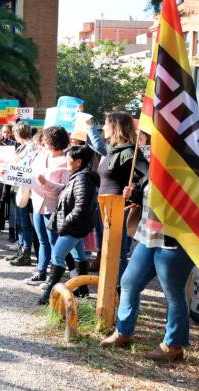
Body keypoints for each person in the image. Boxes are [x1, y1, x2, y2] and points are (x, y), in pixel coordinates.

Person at [101, 181, 196, 362]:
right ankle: (123, 332)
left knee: (173, 293)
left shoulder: (190, 165)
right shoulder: (158, 162)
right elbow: (151, 198)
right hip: (149, 236)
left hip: (175, 239)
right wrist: (135, 194)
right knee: (129, 282)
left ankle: (173, 346)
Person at [86, 112, 148, 292]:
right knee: (107, 252)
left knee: (117, 254)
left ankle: (118, 293)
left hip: (119, 208)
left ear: (116, 127)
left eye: (106, 124)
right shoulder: (113, 150)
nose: (103, 127)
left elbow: (150, 176)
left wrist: (134, 193)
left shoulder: (130, 152)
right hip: (105, 207)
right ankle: (109, 291)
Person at [38, 145, 100, 304]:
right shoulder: (78, 176)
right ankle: (83, 290)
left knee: (57, 255)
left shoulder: (82, 179)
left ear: (78, 162)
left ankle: (49, 293)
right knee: (79, 257)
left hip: (74, 227)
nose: (66, 161)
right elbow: (66, 192)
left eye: (69, 159)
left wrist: (65, 225)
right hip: (76, 226)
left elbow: (81, 207)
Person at [25, 128, 70, 286]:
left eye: (46, 139)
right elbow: (29, 172)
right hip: (37, 202)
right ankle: (41, 271)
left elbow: (64, 188)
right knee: (42, 240)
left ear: (53, 142)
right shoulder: (42, 155)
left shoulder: (65, 161)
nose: (43, 142)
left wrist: (46, 182)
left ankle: (54, 275)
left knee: (53, 242)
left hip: (52, 207)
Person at [4, 122, 37, 267]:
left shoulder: (32, 147)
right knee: (19, 221)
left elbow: (27, 167)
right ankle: (21, 250)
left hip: (24, 189)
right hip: (17, 186)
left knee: (24, 222)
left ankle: (26, 253)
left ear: (18, 133)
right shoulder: (23, 146)